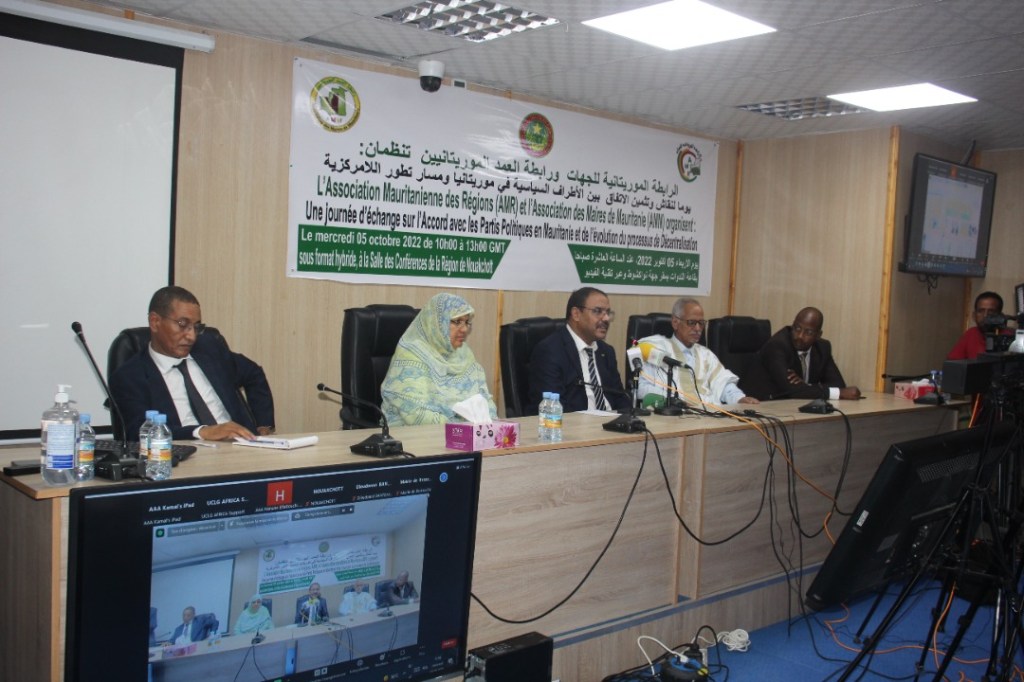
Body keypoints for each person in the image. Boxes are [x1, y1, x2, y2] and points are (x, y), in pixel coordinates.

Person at [109, 285, 275, 441]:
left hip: (240, 447)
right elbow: (138, 433)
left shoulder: (209, 349)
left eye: (196, 327)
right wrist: (202, 432)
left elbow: (254, 374)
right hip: (185, 455)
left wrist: (264, 425)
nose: (192, 336)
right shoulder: (130, 377)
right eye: (183, 324)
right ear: (155, 322)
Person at [380, 293, 497, 425]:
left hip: (464, 432)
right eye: (457, 321)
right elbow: (415, 413)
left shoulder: (464, 354)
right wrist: (459, 428)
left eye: (466, 322)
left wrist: (489, 422)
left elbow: (484, 400)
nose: (464, 329)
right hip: (412, 433)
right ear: (437, 323)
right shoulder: (411, 354)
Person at [637, 298, 759, 406]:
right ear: (675, 323)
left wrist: (739, 398)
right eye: (691, 322)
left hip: (709, 415)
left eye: (701, 323)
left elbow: (723, 383)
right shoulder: (656, 350)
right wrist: (675, 400)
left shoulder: (706, 355)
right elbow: (642, 389)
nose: (697, 328)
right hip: (672, 417)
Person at [528, 287, 630, 413]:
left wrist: (629, 418)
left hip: (612, 422)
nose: (606, 319)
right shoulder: (550, 351)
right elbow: (553, 407)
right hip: (574, 422)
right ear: (576, 314)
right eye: (597, 311)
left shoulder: (606, 351)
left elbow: (620, 398)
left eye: (607, 312)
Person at [744, 307, 860, 401]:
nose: (800, 336)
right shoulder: (777, 346)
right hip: (761, 405)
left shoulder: (823, 348)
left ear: (818, 335)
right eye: (797, 328)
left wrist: (807, 386)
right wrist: (837, 393)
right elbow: (791, 390)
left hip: (792, 407)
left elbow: (838, 384)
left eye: (808, 332)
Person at [947, 291, 1006, 360]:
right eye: (980, 311)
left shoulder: (1009, 336)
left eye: (991, 311)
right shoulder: (970, 334)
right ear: (974, 315)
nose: (985, 315)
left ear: (1000, 316)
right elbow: (952, 362)